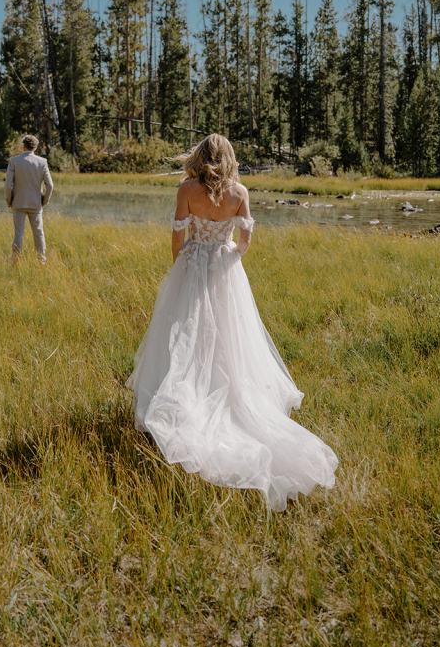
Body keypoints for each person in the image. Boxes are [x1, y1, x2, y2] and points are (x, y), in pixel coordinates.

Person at [127, 133, 338, 511]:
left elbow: (177, 236)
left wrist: (183, 262)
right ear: (228, 157)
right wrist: (230, 257)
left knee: (185, 335)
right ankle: (223, 392)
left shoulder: (187, 189)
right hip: (225, 268)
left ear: (201, 156)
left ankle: (185, 398)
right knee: (227, 337)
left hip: (193, 265)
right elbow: (246, 237)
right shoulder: (239, 192)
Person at [4, 134, 54, 264]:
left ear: (23, 146)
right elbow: (50, 185)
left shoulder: (14, 161)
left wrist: (9, 201)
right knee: (39, 233)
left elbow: (8, 185)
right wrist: (44, 201)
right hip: (36, 204)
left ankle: (15, 261)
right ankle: (41, 262)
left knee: (18, 234)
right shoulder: (42, 162)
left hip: (18, 203)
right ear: (35, 147)